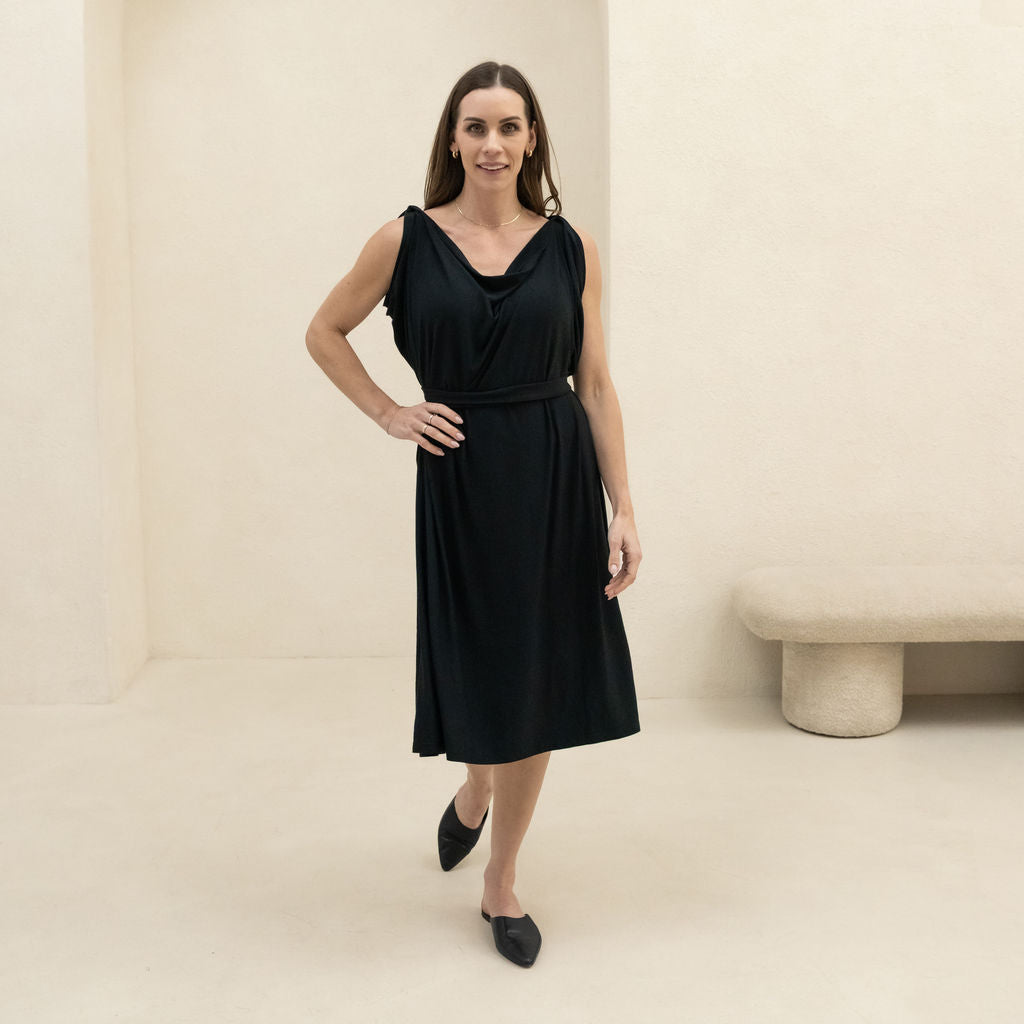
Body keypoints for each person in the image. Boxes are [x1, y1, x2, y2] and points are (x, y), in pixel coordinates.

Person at [305, 61, 642, 968]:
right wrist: (390, 412)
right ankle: (476, 785)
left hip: (556, 477)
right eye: (476, 127)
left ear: (532, 140)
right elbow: (323, 332)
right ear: (452, 140)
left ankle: (501, 879)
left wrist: (622, 507)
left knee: (535, 673)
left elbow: (595, 383)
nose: (493, 144)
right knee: (486, 658)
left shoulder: (571, 247)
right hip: (460, 478)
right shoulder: (405, 240)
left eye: (509, 127)